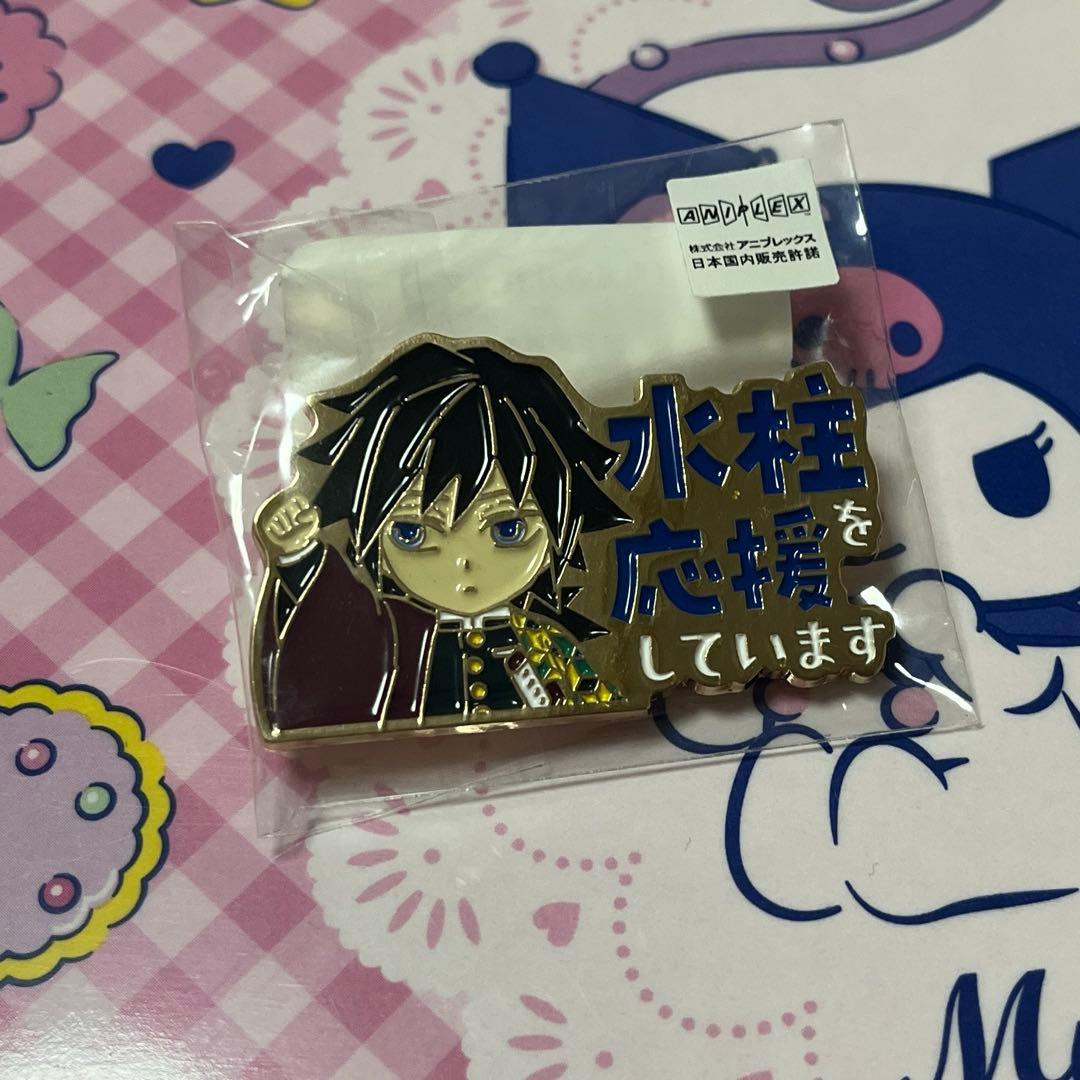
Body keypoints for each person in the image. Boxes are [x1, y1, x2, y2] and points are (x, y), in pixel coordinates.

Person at [252, 334, 630, 737]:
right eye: (412, 533)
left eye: (507, 530)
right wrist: (300, 556)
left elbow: (595, 700)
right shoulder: (392, 634)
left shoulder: (545, 643)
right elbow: (337, 635)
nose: (463, 562)